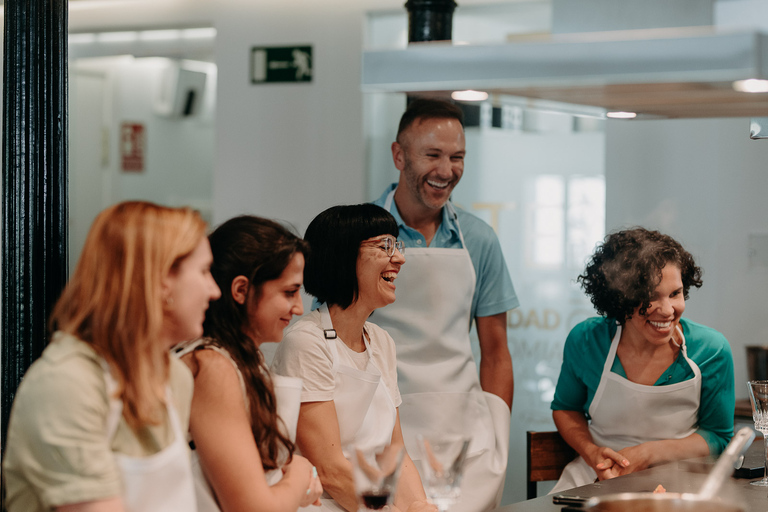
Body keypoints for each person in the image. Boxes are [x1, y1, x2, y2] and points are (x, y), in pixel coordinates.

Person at [3, 201, 222, 512]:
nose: (214, 291)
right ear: (161, 279)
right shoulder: (66, 384)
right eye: (203, 271)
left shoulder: (175, 376)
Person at [370, 98, 518, 512]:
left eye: (457, 157)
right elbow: (335, 344)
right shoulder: (359, 237)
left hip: (466, 445)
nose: (446, 170)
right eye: (432, 155)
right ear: (399, 156)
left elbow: (496, 351)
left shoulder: (480, 239)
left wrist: (497, 438)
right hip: (382, 435)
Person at [271, 204, 431, 512]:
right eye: (385, 245)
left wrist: (420, 506)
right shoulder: (306, 342)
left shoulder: (381, 341)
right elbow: (331, 471)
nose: (399, 257)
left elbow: (394, 451)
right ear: (343, 256)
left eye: (397, 245)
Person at [550, 227, 735, 493]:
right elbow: (566, 409)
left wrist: (647, 453)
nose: (668, 311)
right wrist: (593, 454)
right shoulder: (586, 340)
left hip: (679, 484)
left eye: (675, 293)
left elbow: (718, 436)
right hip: (597, 477)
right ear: (620, 298)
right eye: (650, 297)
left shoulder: (711, 349)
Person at [173, 216, 322, 512]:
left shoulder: (242, 358)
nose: (298, 308)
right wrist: (299, 473)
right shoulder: (211, 365)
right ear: (241, 290)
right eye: (289, 292)